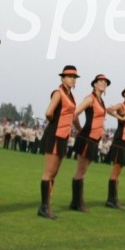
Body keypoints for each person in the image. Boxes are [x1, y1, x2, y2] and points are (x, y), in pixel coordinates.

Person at [38, 65, 79, 219]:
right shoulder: (58, 92)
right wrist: (54, 122)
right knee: (48, 172)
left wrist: (79, 129)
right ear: (62, 78)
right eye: (69, 77)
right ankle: (44, 206)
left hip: (63, 136)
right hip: (55, 135)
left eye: (74, 77)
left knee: (54, 172)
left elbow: (73, 116)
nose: (72, 79)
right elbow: (49, 112)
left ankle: (47, 204)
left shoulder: (71, 96)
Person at [69, 74, 111, 212]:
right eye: (101, 81)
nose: (103, 84)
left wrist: (101, 131)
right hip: (86, 138)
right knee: (81, 171)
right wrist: (80, 129)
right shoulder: (90, 98)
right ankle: (78, 202)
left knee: (83, 170)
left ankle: (76, 202)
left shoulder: (101, 101)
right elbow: (75, 113)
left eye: (105, 82)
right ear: (94, 84)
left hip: (94, 140)